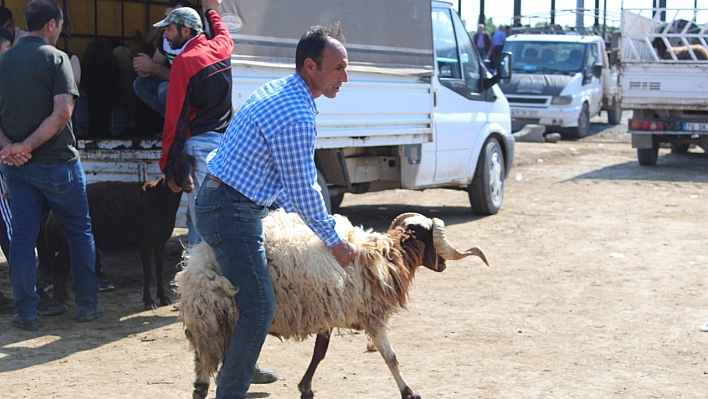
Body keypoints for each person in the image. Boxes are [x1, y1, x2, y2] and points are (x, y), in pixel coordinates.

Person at [195, 21, 356, 398]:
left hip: (227, 201)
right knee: (259, 306)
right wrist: (334, 241)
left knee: (252, 296)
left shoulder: (279, 89)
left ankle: (241, 366)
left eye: (345, 67)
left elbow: (286, 181)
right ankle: (231, 390)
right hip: (231, 210)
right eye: (338, 68)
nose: (344, 77)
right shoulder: (296, 115)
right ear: (310, 67)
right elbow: (302, 188)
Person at [0, 0, 103, 330]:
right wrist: (25, 146)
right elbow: (62, 113)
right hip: (58, 164)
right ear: (52, 24)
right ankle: (87, 304)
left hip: (17, 168)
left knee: (22, 240)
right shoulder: (57, 59)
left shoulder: (3, 61)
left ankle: (26, 313)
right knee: (79, 232)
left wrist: (11, 149)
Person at [153, 3, 232, 250]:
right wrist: (210, 10)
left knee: (201, 221)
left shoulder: (184, 62)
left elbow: (176, 119)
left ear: (186, 31)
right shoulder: (221, 48)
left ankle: (203, 282)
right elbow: (223, 32)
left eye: (169, 29)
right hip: (223, 145)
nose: (164, 35)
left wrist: (168, 165)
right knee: (209, 213)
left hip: (198, 146)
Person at [132, 0, 193, 118]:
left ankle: (186, 127)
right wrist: (145, 68)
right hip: (175, 86)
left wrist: (154, 67)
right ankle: (172, 124)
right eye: (166, 18)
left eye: (173, 20)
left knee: (164, 90)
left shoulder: (199, 43)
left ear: (187, 29)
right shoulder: (166, 36)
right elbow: (155, 67)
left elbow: (187, 80)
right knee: (140, 84)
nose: (166, 28)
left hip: (194, 94)